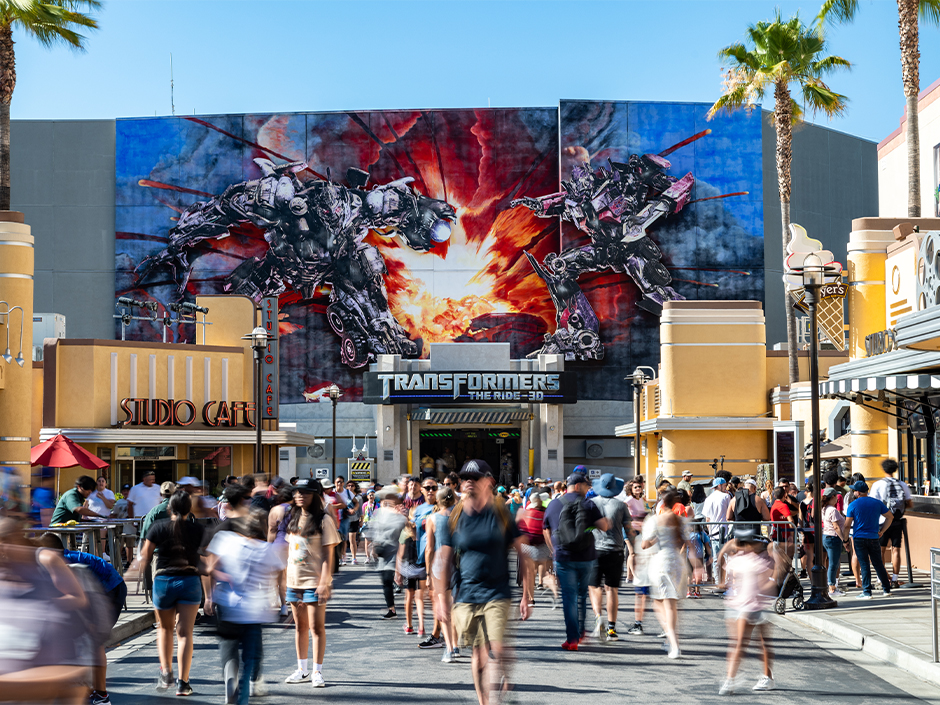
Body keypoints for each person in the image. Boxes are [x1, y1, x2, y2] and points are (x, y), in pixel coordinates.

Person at [435, 460, 530, 705]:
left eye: (475, 477)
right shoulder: (454, 516)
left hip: (498, 591)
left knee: (497, 649)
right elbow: (443, 558)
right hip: (466, 593)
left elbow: (522, 551)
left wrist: (526, 595)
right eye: (465, 477)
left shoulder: (501, 512)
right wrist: (439, 598)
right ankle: (484, 701)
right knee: (477, 655)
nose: (468, 481)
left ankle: (499, 690)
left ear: (488, 481)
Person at [0, 518, 90, 704]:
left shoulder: (46, 559)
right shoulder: (5, 568)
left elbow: (78, 598)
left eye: (4, 543)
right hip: (21, 658)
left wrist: (41, 606)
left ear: (14, 540)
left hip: (57, 647)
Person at [204, 508, 285, 705]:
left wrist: (224, 580)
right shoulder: (267, 550)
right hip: (255, 610)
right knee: (251, 658)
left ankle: (230, 678)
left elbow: (209, 568)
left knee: (228, 646)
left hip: (228, 605)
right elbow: (277, 577)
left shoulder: (226, 540)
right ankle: (242, 697)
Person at [37, 531, 126, 705]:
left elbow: (83, 598)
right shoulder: (58, 560)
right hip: (96, 590)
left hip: (110, 589)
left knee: (94, 640)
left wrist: (92, 622)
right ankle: (86, 688)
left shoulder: (67, 564)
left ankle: (101, 695)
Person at [137, 490, 205, 696]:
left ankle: (166, 671)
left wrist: (134, 575)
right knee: (185, 634)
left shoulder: (158, 527)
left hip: (164, 582)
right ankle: (183, 683)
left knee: (164, 629)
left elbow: (145, 557)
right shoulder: (197, 529)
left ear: (169, 508)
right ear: (189, 509)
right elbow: (205, 559)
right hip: (190, 582)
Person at [543, 470, 609, 650]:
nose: (588, 490)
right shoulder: (588, 504)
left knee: (569, 597)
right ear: (578, 486)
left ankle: (572, 639)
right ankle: (581, 632)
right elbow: (604, 526)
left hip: (563, 557)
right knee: (581, 595)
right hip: (586, 557)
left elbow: (546, 529)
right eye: (587, 486)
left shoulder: (554, 504)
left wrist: (553, 550)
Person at [284, 478, 340, 688]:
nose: (299, 496)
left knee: (317, 628)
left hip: (314, 582)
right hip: (293, 581)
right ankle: (302, 669)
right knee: (300, 628)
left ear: (315, 496)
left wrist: (324, 582)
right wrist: (283, 581)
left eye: (305, 493)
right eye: (297, 492)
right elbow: (290, 552)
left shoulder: (323, 519)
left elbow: (328, 555)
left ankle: (317, 670)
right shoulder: (293, 516)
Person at [718, 526, 777, 694]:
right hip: (736, 604)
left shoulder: (759, 559)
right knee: (755, 643)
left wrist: (762, 589)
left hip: (751, 606)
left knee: (742, 644)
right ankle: (767, 677)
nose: (744, 545)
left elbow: (771, 580)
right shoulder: (739, 559)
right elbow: (723, 565)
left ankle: (731, 680)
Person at [643, 489, 690, 659]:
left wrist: (655, 538)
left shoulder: (655, 519)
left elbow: (644, 544)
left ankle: (673, 643)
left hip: (661, 562)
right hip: (677, 562)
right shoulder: (680, 520)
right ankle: (671, 640)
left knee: (659, 604)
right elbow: (686, 541)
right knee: (671, 604)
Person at [588, 473, 632, 641]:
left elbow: (584, 526)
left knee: (594, 586)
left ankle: (598, 617)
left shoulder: (591, 504)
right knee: (612, 589)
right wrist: (633, 546)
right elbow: (628, 529)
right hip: (616, 550)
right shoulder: (621, 506)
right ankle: (612, 628)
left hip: (594, 550)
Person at [843, 481, 894, 599]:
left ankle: (867, 591)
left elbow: (847, 525)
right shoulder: (877, 503)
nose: (854, 492)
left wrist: (845, 540)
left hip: (859, 538)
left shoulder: (853, 505)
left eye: (854, 490)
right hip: (874, 537)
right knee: (878, 564)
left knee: (864, 564)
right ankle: (886, 589)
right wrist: (882, 530)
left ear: (858, 492)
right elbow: (890, 517)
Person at [426, 485, 458, 662]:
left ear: (438, 501)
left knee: (444, 608)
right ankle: (457, 644)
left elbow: (429, 548)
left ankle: (449, 648)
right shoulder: (459, 517)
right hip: (459, 563)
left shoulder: (433, 518)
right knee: (456, 607)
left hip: (440, 565)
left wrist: (428, 573)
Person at [870, 458, 913, 588]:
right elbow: (909, 503)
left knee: (881, 550)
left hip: (882, 520)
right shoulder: (903, 484)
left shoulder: (878, 484)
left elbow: (873, 504)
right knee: (896, 550)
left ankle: (880, 578)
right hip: (898, 521)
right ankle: (895, 578)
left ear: (883, 469)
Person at [367, 485, 407, 619]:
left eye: (390, 497)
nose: (387, 499)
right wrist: (373, 547)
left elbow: (405, 529)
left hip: (395, 549)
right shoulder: (379, 512)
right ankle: (392, 608)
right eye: (386, 497)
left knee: (389, 578)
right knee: (385, 581)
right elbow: (373, 529)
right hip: (381, 551)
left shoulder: (400, 514)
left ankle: (403, 601)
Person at [413, 477, 443, 648]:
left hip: (438, 557)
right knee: (432, 598)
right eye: (427, 487)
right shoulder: (419, 510)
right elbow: (417, 534)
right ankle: (440, 632)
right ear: (421, 490)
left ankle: (437, 634)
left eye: (434, 487)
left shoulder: (444, 508)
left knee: (437, 597)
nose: (431, 490)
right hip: (422, 557)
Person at [517, 491, 557, 609]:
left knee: (529, 573)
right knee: (542, 564)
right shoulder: (546, 512)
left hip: (528, 545)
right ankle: (542, 582)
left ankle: (531, 598)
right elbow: (548, 529)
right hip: (542, 544)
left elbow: (520, 528)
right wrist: (552, 547)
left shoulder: (526, 511)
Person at [703, 477, 732, 584]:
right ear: (719, 486)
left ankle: (718, 582)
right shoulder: (726, 496)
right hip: (725, 531)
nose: (726, 487)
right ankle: (726, 581)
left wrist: (710, 531)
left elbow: (707, 519)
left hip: (713, 532)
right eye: (725, 485)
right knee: (726, 557)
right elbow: (730, 513)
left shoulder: (708, 498)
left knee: (716, 558)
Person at [821, 487, 846, 597]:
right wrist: (844, 539)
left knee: (831, 562)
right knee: (833, 563)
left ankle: (831, 585)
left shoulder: (825, 508)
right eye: (836, 496)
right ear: (832, 497)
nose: (837, 498)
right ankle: (832, 587)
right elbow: (836, 526)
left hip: (826, 536)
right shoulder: (833, 510)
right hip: (833, 537)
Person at [346, 481, 363, 565]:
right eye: (348, 485)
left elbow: (360, 510)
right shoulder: (343, 496)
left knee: (352, 539)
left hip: (354, 519)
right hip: (344, 519)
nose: (350, 487)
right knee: (343, 539)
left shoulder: (359, 497)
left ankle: (354, 557)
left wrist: (361, 520)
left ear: (355, 487)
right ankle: (342, 556)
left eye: (352, 485)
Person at [360, 489, 378, 564]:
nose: (371, 496)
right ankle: (368, 557)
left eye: (373, 494)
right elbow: (362, 514)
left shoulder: (377, 504)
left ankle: (374, 554)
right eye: (370, 495)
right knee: (367, 541)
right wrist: (361, 521)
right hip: (367, 524)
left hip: (375, 524)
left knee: (375, 541)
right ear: (367, 496)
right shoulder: (365, 504)